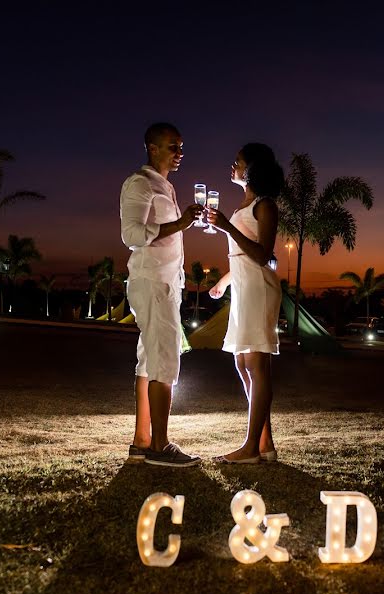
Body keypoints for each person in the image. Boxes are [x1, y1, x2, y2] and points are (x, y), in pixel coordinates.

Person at [120, 122, 203, 467]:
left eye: (181, 146)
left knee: (149, 360)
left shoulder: (165, 187)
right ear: (152, 148)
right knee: (166, 361)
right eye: (173, 146)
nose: (179, 153)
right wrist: (180, 224)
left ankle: (142, 441)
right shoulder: (140, 183)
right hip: (152, 281)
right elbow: (131, 234)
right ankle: (160, 446)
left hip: (166, 282)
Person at [206, 143, 284, 464]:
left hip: (258, 289)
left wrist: (226, 227)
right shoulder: (244, 207)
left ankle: (251, 447)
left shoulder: (265, 206)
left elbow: (263, 255)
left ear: (251, 169)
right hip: (242, 288)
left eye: (237, 161)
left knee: (256, 363)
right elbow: (241, 255)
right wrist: (223, 283)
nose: (232, 165)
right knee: (242, 362)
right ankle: (265, 444)